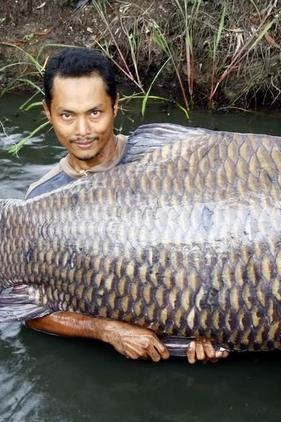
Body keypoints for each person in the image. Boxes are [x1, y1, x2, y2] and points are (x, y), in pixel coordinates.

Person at [24, 47, 227, 364]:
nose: (83, 131)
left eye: (95, 113)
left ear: (116, 107)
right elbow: (30, 312)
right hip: (98, 369)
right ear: (47, 112)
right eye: (67, 115)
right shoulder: (40, 200)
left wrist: (215, 328)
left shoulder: (166, 163)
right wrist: (107, 330)